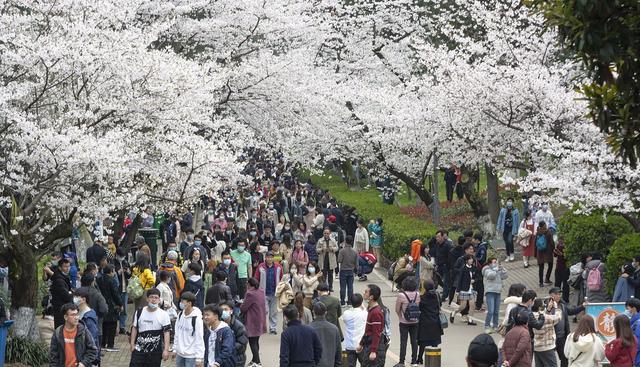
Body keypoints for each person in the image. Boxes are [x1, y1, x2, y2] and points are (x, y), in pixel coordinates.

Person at [129, 288, 171, 367]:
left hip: (155, 352)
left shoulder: (164, 315)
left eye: (156, 298)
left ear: (159, 300)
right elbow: (134, 328)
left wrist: (166, 350)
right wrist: (132, 344)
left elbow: (166, 333)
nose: (154, 300)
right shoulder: (139, 312)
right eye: (151, 297)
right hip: (139, 350)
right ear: (147, 299)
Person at [49, 303, 99, 367]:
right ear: (65, 317)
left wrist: (83, 363)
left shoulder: (84, 331)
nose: (76, 317)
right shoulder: (58, 333)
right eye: (73, 315)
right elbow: (53, 356)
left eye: (77, 314)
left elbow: (93, 350)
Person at [548, 287, 585, 367]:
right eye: (557, 294)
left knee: (565, 358)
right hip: (550, 337)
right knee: (549, 361)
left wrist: (582, 306)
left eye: (559, 294)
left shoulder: (562, 305)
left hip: (562, 337)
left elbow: (571, 311)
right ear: (551, 295)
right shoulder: (546, 306)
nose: (559, 296)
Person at [357, 284, 388, 367]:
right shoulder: (371, 309)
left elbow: (376, 333)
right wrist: (361, 343)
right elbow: (368, 330)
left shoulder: (376, 313)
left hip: (375, 348)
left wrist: (373, 351)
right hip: (369, 345)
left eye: (366, 292)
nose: (364, 293)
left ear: (371, 297)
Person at [173, 292, 205, 367]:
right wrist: (175, 348)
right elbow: (177, 333)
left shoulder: (196, 318)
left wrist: (199, 357)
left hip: (191, 355)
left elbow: (199, 337)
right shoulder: (180, 315)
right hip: (180, 353)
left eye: (182, 302)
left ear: (189, 303)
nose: (180, 303)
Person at [254, 251, 283, 334]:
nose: (269, 259)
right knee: (264, 311)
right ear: (265, 258)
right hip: (263, 292)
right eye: (268, 257)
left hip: (274, 292)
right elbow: (256, 278)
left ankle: (272, 328)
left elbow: (281, 278)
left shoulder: (278, 267)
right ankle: (262, 327)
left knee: (273, 312)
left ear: (273, 258)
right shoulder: (261, 267)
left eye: (271, 257)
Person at [240, 277, 266, 367]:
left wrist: (241, 303)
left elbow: (243, 308)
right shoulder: (261, 291)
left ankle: (258, 362)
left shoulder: (250, 293)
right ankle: (254, 359)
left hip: (252, 320)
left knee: (252, 341)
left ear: (249, 284)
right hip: (260, 318)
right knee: (256, 340)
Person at [395, 276, 420, 366]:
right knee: (414, 341)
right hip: (415, 321)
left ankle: (402, 361)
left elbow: (397, 309)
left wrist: (400, 316)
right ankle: (414, 360)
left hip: (404, 322)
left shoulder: (401, 295)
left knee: (403, 341)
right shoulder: (417, 294)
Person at [96, 264, 123, 351]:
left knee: (104, 324)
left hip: (101, 304)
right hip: (111, 305)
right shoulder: (112, 281)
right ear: (111, 271)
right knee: (112, 324)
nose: (114, 273)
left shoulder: (99, 279)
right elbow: (115, 294)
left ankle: (103, 343)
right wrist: (120, 304)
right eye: (114, 271)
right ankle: (110, 344)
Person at [417, 280, 443, 364]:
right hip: (435, 320)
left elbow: (419, 308)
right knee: (434, 341)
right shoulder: (437, 296)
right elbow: (440, 305)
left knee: (423, 342)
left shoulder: (422, 298)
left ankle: (420, 358)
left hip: (424, 321)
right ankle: (435, 357)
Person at [310, 302, 342, 367]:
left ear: (313, 312)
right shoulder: (334, 329)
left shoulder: (308, 329)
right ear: (326, 312)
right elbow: (338, 351)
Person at [74, 288, 100, 366]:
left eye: (76, 297)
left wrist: (91, 359)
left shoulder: (88, 318)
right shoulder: (78, 313)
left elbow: (93, 339)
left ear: (84, 299)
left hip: (87, 359)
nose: (74, 299)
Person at [531, 298, 561, 367]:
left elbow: (543, 315)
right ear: (539, 307)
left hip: (537, 347)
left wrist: (548, 309)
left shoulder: (531, 316)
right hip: (547, 347)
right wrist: (556, 308)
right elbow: (558, 317)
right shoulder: (546, 318)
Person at [341, 293, 368, 367]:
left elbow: (343, 319)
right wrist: (363, 306)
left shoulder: (346, 313)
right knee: (365, 364)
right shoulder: (364, 314)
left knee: (347, 365)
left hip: (348, 346)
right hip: (361, 345)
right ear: (361, 302)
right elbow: (366, 311)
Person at [482, 257, 508, 334]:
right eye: (494, 262)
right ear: (489, 263)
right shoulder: (486, 269)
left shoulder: (497, 269)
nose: (496, 263)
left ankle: (495, 326)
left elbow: (505, 276)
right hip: (490, 291)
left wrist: (502, 269)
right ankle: (487, 326)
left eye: (496, 262)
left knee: (496, 311)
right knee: (491, 310)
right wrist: (496, 269)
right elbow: (491, 276)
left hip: (498, 291)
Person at [219, 301, 248, 367]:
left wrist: (227, 348)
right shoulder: (218, 324)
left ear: (231, 311)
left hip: (237, 359)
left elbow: (242, 344)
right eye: (221, 310)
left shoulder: (239, 326)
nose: (223, 312)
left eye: (225, 309)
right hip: (223, 359)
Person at [452, 253, 479, 326]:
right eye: (470, 259)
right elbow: (460, 280)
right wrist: (457, 290)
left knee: (472, 305)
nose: (471, 260)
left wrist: (474, 280)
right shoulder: (463, 268)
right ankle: (454, 312)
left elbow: (478, 277)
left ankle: (470, 319)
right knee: (463, 306)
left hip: (471, 289)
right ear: (466, 260)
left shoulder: (474, 268)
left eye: (472, 259)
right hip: (464, 289)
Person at [113, 247, 132, 334]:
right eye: (120, 256)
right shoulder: (113, 263)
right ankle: (115, 327)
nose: (122, 258)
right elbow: (112, 275)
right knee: (117, 308)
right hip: (117, 289)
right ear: (117, 255)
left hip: (125, 288)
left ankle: (122, 326)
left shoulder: (125, 262)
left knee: (124, 309)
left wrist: (128, 272)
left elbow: (129, 276)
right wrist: (118, 272)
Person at [51, 258, 74, 329]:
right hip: (61, 308)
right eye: (65, 266)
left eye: (68, 266)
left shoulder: (63, 276)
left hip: (63, 307)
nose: (67, 268)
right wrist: (71, 293)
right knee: (61, 328)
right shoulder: (59, 280)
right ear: (60, 267)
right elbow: (66, 295)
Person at [496, 197, 519, 262]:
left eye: (510, 201)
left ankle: (512, 254)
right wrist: (498, 228)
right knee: (506, 243)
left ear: (513, 203)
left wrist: (517, 231)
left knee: (510, 241)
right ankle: (508, 255)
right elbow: (500, 219)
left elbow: (517, 221)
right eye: (508, 201)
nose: (509, 202)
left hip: (512, 229)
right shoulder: (503, 210)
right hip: (504, 228)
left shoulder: (515, 211)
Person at [338, 235, 358, 306]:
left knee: (343, 287)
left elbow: (339, 260)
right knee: (350, 287)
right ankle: (350, 302)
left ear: (345, 241)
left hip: (343, 270)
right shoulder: (355, 252)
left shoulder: (342, 251)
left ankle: (342, 302)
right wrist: (356, 271)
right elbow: (357, 264)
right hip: (351, 271)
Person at [535, 221, 555, 287]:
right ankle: (547, 278)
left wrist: (535, 253)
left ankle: (541, 282)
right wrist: (553, 250)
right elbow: (552, 242)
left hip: (540, 252)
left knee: (541, 267)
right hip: (548, 252)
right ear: (544, 225)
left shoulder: (537, 232)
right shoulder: (548, 232)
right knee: (550, 265)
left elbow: (535, 243)